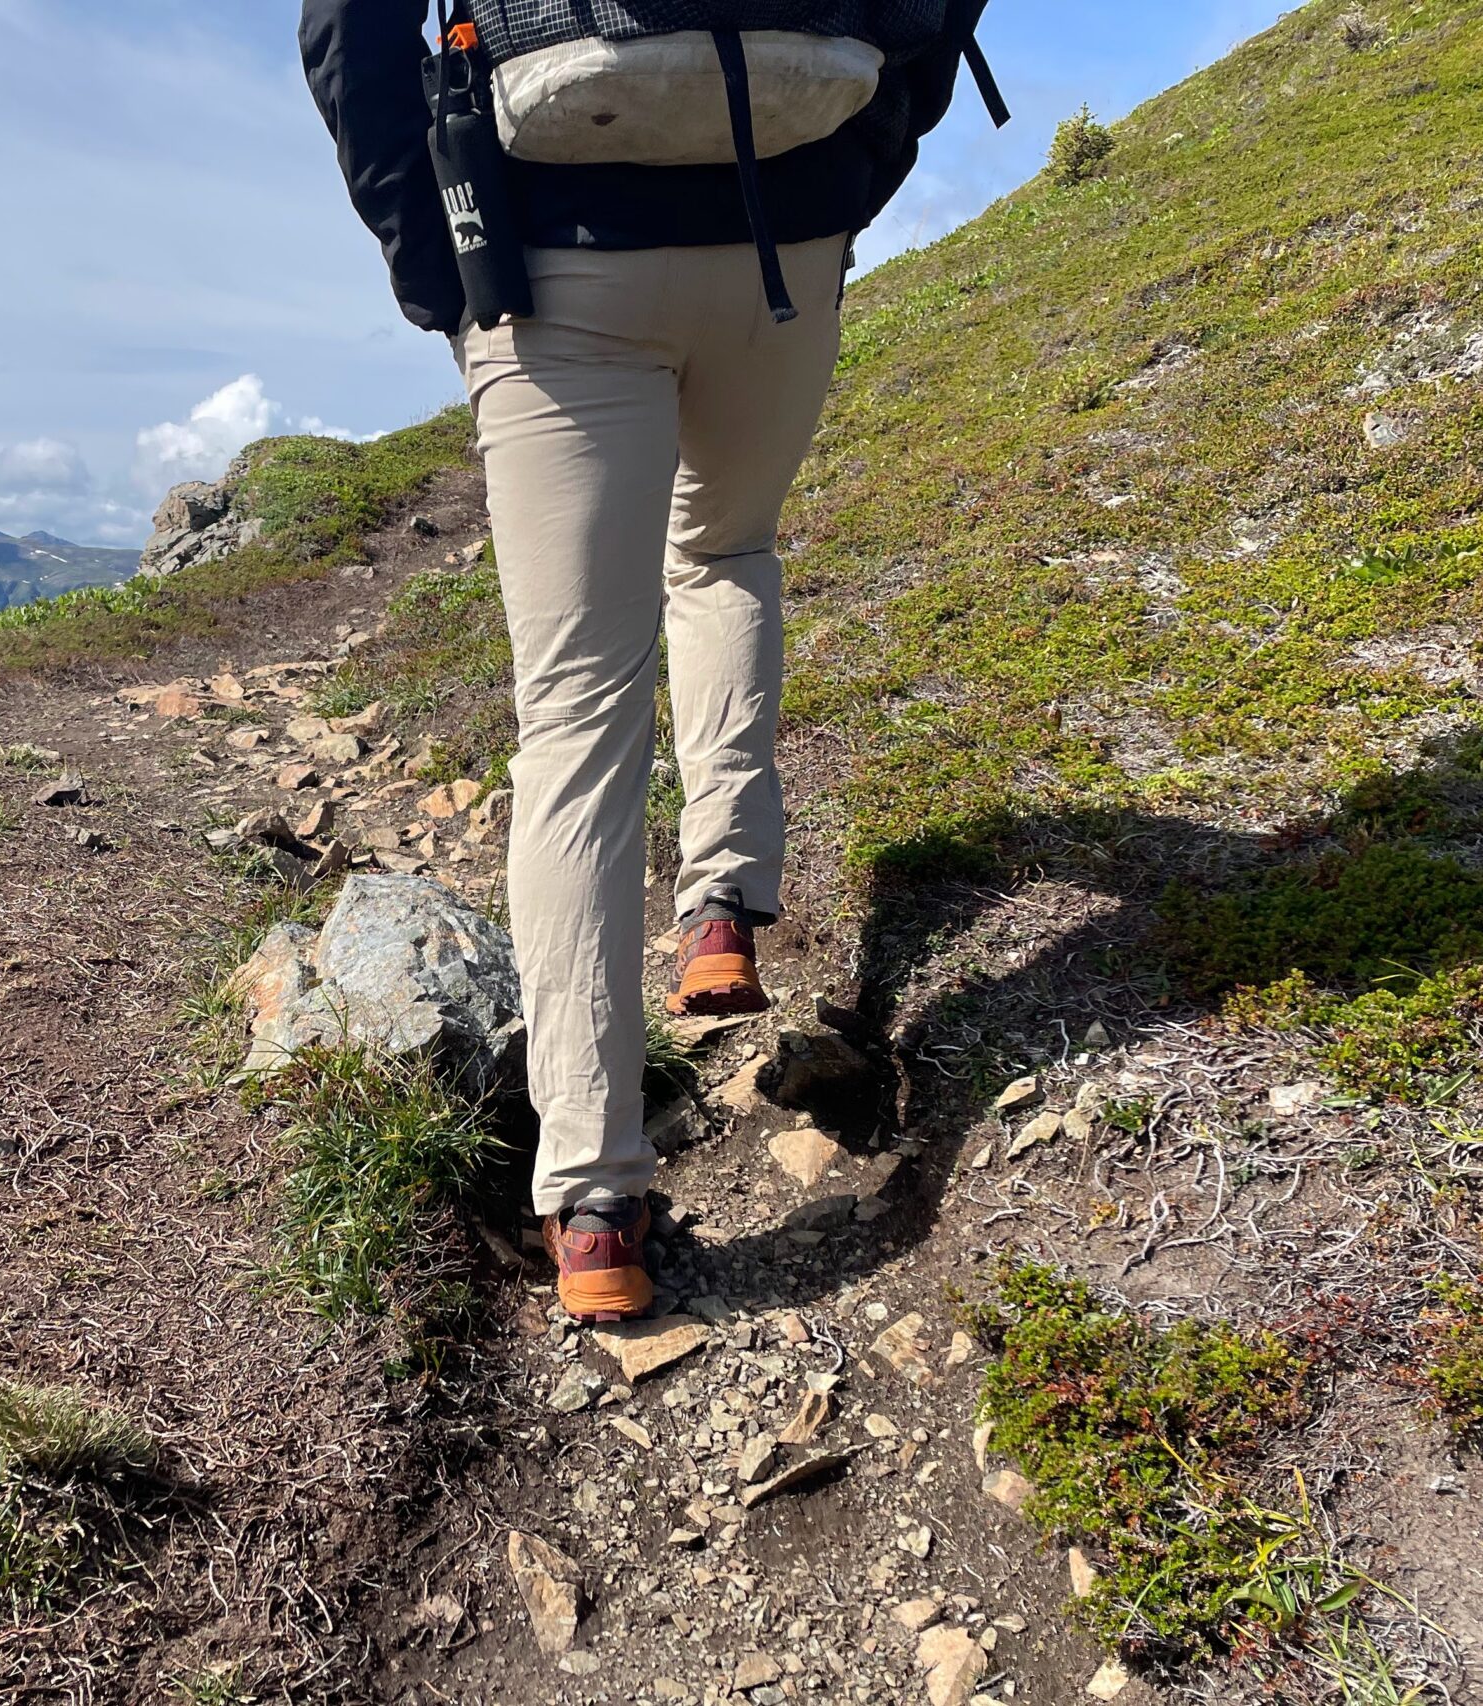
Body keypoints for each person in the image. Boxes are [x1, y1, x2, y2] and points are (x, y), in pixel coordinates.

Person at [301, 1, 982, 1323]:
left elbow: (349, 25)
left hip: (554, 244)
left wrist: (430, 249)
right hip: (782, 219)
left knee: (573, 719)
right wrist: (850, 168)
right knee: (726, 554)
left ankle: (599, 1203)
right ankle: (720, 906)